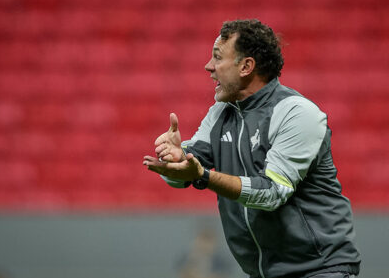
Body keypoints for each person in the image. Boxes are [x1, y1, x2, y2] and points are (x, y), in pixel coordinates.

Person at [143, 19, 361, 278]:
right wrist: (173, 159)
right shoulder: (220, 114)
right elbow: (188, 168)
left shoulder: (297, 113)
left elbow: (271, 193)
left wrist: (201, 176)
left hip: (319, 270)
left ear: (246, 66)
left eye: (217, 57)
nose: (208, 66)